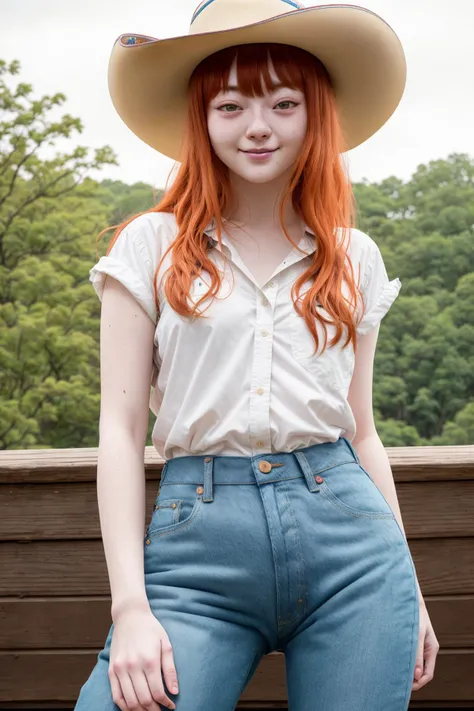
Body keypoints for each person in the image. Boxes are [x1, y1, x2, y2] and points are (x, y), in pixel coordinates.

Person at [75, 1, 438, 710]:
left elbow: (361, 430)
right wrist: (130, 608)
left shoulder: (353, 258)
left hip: (356, 554)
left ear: (316, 113)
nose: (259, 125)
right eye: (232, 104)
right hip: (196, 552)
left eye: (283, 101)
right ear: (202, 118)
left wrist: (413, 587)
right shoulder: (149, 247)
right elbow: (118, 434)